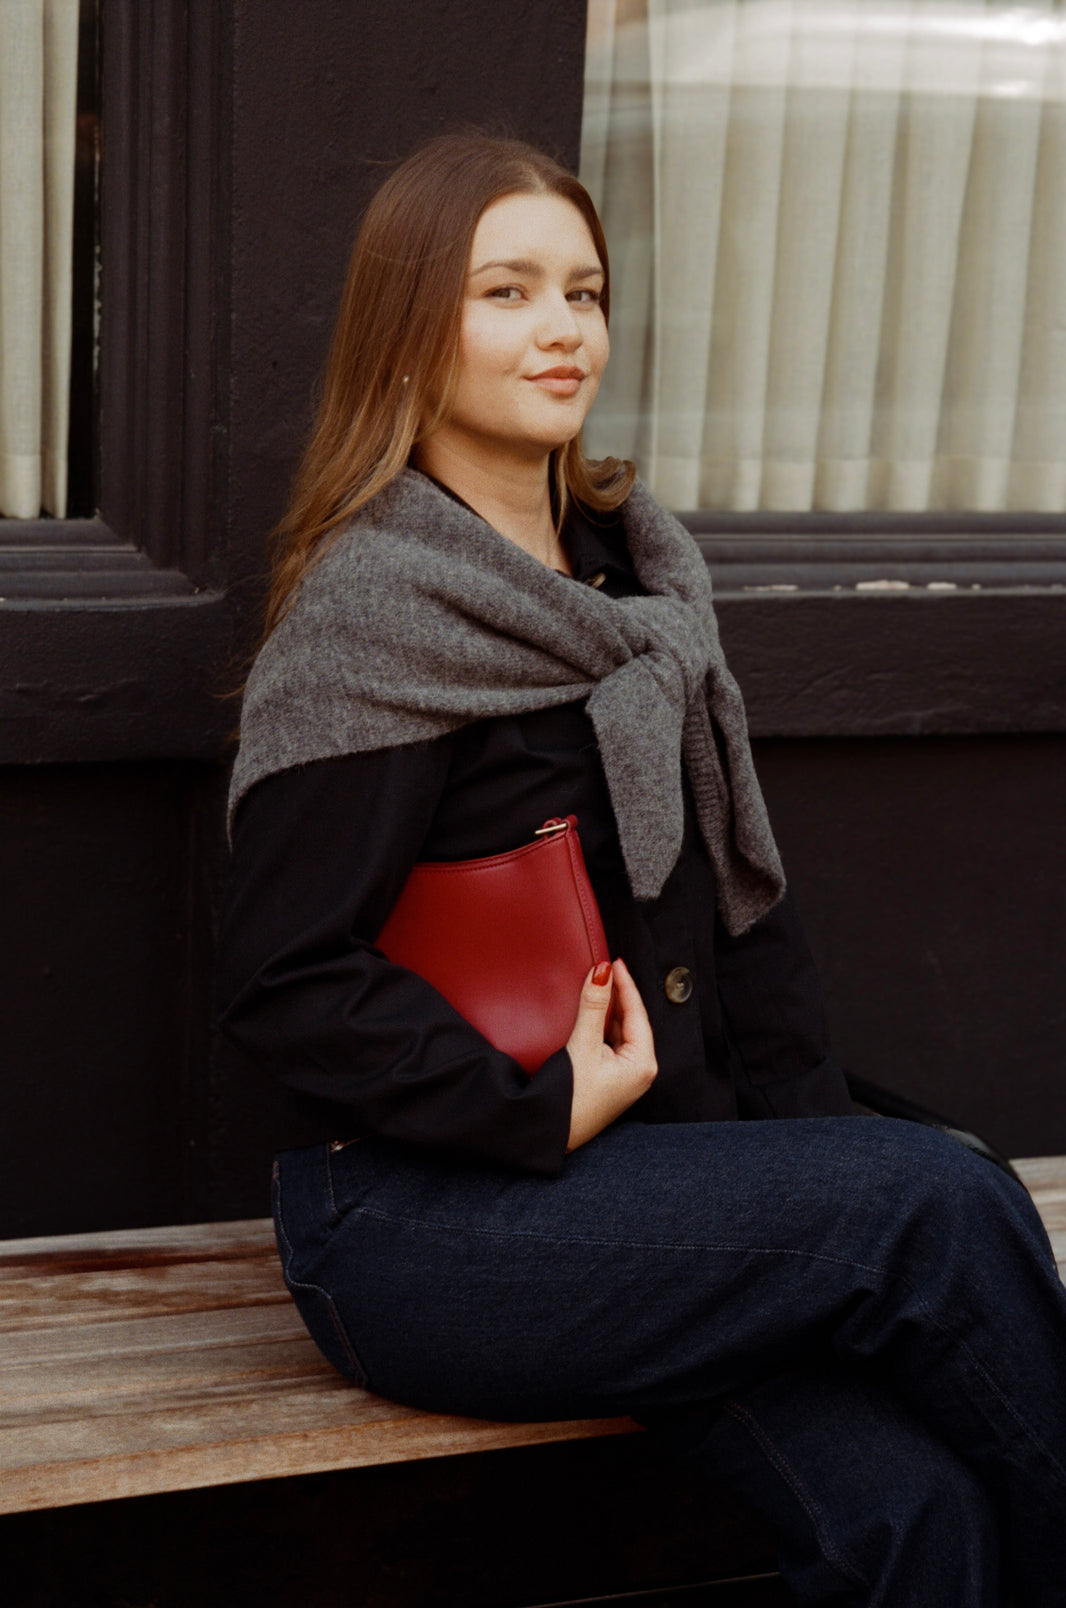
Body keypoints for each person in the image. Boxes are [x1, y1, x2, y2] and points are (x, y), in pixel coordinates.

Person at [217, 132, 1066, 1605]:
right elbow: (287, 980)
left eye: (584, 291)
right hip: (428, 1228)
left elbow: (747, 932)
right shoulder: (375, 615)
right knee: (932, 1201)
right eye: (505, 291)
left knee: (915, 1516)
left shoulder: (637, 586)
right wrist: (534, 1104)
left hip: (662, 1189)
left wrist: (802, 1159)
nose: (561, 329)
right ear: (412, 330)